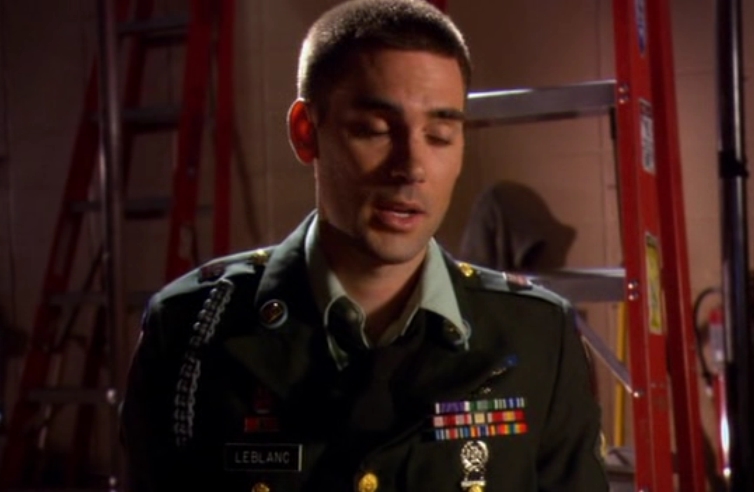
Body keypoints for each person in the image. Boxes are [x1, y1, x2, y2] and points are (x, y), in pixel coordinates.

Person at [120, 0, 609, 490]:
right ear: (306, 132)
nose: (411, 167)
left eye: (440, 135)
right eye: (375, 130)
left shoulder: (536, 338)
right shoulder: (192, 331)